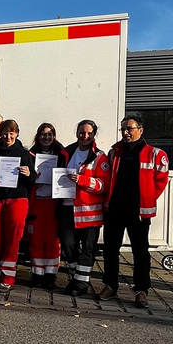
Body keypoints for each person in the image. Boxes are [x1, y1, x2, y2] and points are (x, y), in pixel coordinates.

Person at [98, 114, 169, 308]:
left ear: (141, 130)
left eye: (129, 128)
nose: (125, 132)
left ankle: (141, 290)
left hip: (138, 211)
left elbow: (161, 180)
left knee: (140, 251)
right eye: (123, 129)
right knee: (111, 249)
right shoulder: (114, 152)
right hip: (115, 208)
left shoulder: (155, 154)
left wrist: (147, 197)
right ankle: (110, 285)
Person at [0, 119, 37, 292]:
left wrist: (29, 174)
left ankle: (7, 277)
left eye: (11, 132)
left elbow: (31, 181)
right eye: (5, 132)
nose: (8, 136)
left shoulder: (24, 154)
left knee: (12, 239)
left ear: (17, 133)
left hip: (17, 200)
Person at [59, 119, 111, 297]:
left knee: (87, 248)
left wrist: (82, 180)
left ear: (94, 134)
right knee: (67, 245)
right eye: (82, 132)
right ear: (77, 133)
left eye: (89, 133)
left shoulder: (99, 157)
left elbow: (104, 185)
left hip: (90, 212)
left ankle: (81, 283)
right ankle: (77, 278)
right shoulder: (67, 152)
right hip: (67, 207)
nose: (85, 136)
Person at [27, 122, 69, 290]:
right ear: (38, 136)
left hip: (54, 202)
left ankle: (50, 275)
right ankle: (37, 274)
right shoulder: (30, 154)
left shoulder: (62, 154)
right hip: (36, 202)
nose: (46, 137)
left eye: (50, 134)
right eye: (43, 134)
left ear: (54, 136)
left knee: (53, 240)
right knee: (36, 239)